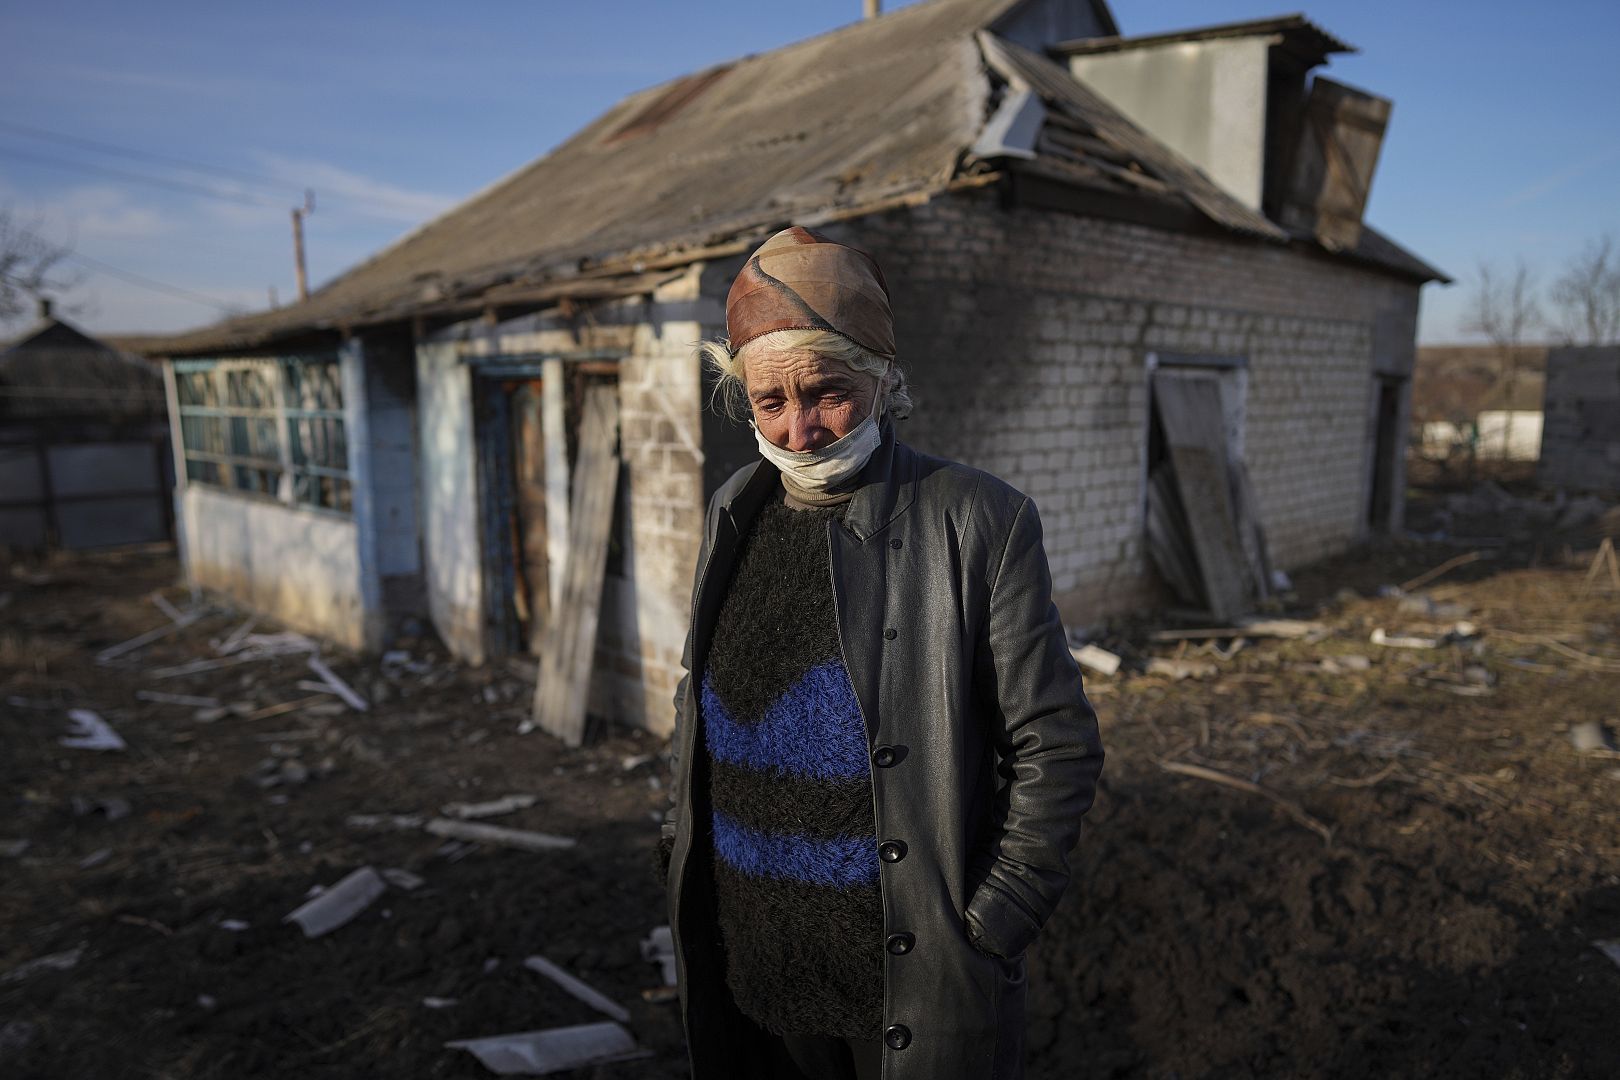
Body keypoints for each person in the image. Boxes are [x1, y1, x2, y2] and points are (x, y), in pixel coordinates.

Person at [660, 226, 1104, 1080]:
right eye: (769, 402)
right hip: (755, 966)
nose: (798, 431)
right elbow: (696, 694)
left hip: (906, 985)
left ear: (884, 378)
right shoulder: (732, 512)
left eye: (829, 393)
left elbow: (1057, 743)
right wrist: (676, 844)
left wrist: (991, 920)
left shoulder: (976, 521)